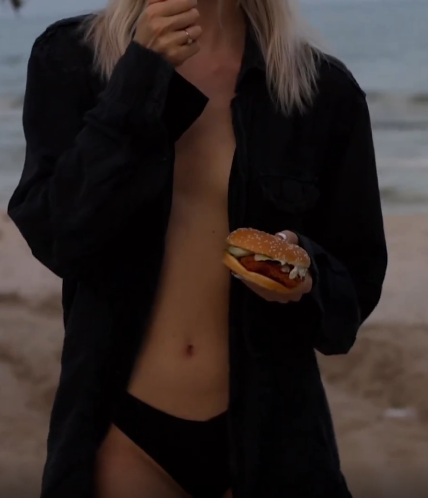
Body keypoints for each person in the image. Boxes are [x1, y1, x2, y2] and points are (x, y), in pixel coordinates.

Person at [8, 0, 388, 496]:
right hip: (124, 431)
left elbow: (356, 287)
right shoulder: (74, 57)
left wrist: (305, 276)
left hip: (271, 434)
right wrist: (138, 76)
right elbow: (56, 235)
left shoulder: (320, 88)